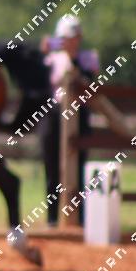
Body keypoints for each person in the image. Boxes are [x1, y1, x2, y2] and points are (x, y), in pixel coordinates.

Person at [39, 15, 99, 227]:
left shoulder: (89, 58)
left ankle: (80, 219)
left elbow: (88, 81)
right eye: (64, 38)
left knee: (80, 168)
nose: (69, 42)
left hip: (80, 114)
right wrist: (42, 53)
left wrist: (73, 60)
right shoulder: (51, 60)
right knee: (52, 168)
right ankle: (53, 219)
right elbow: (40, 82)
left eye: (73, 38)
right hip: (54, 114)